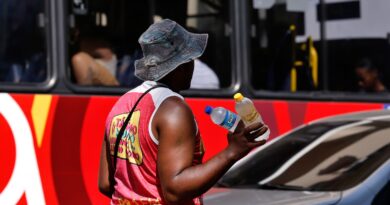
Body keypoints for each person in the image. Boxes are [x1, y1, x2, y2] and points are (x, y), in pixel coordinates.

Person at [98, 19, 268, 204]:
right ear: (182, 66)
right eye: (190, 59)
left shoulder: (122, 104)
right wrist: (233, 151)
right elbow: (174, 191)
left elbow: (106, 184)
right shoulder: (173, 109)